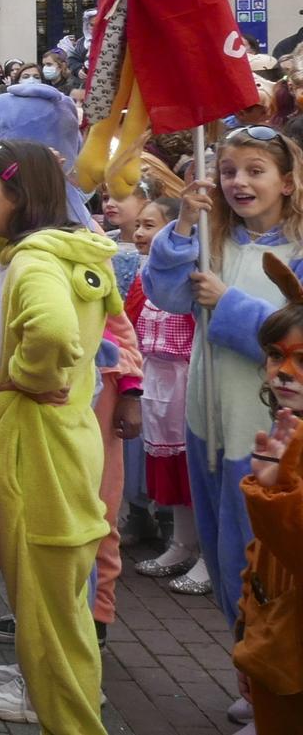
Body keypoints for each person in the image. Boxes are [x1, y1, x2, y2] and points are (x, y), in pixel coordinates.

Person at [0, 140, 119, 731]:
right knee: (60, 614)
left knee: (51, 629)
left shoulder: (35, 261)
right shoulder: (48, 249)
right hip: (60, 451)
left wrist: (27, 377)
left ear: (19, 198)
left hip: (38, 459)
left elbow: (49, 333)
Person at [142, 127, 303, 655]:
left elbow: (296, 343)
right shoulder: (215, 237)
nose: (239, 182)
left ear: (287, 181)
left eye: (256, 170)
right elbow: (165, 293)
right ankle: (248, 672)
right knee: (221, 553)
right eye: (230, 170)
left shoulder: (299, 251)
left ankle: (270, 681)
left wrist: (228, 302)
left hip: (265, 431)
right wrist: (186, 222)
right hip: (207, 417)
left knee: (263, 562)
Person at [126, 195, 210, 593]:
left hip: (187, 374)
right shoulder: (144, 274)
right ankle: (182, 543)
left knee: (195, 464)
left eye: (150, 225)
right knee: (169, 463)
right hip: (156, 376)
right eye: (138, 225)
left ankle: (210, 558)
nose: (141, 234)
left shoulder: (199, 268)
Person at [236, 291, 303, 730]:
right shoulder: (286, 435)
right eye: (275, 355)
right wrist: (247, 633)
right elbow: (262, 557)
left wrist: (274, 493)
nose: (284, 372)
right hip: (275, 640)